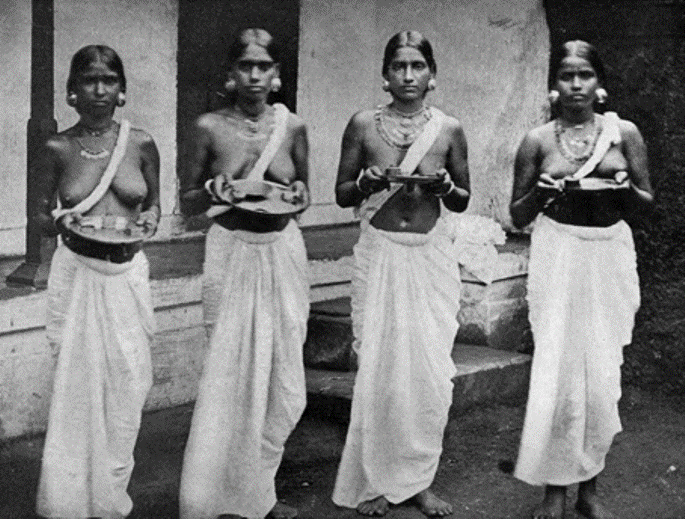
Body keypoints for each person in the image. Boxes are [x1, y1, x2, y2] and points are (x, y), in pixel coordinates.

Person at [510, 40, 653, 519]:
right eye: (567, 76)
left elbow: (646, 202)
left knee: (600, 376)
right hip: (559, 252)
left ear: (599, 82)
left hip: (608, 255)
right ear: (554, 84)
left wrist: (623, 186)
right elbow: (518, 212)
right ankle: (554, 490)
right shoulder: (538, 140)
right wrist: (542, 192)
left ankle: (589, 489)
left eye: (584, 76)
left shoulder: (623, 134)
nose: (575, 85)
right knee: (557, 371)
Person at [332, 31, 470, 517]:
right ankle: (373, 480)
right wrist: (366, 181)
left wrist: (447, 185)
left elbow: (463, 198)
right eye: (398, 67)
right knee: (379, 368)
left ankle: (417, 482)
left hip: (430, 257)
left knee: (429, 374)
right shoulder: (363, 126)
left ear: (432, 75)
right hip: (382, 254)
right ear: (385, 74)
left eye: (417, 66)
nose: (408, 76)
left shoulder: (449, 129)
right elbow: (343, 193)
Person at [177, 28, 310, 519]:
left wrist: (295, 199)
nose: (255, 75)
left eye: (264, 67)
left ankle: (258, 493)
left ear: (276, 76)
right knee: (229, 380)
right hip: (231, 253)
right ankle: (210, 498)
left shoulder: (292, 127)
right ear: (231, 75)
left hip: (281, 254)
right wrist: (214, 189)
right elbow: (187, 202)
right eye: (245, 66)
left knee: (281, 382)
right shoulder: (209, 127)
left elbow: (303, 196)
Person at [33, 45, 160, 518]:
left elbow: (153, 207)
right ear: (72, 90)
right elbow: (39, 217)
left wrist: (147, 223)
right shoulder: (57, 148)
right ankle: (70, 503)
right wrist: (63, 223)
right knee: (75, 391)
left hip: (128, 276)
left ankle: (110, 499)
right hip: (78, 275)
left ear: (122, 90)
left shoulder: (142, 143)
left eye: (109, 80)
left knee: (129, 387)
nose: (100, 89)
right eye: (89, 80)